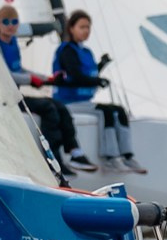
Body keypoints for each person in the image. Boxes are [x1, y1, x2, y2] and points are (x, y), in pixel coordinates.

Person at [0, 5, 84, 180]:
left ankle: (74, 152)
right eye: (6, 21)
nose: (10, 25)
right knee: (48, 108)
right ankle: (52, 160)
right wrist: (31, 80)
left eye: (14, 21)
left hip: (16, 95)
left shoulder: (13, 42)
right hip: (5, 98)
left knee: (60, 106)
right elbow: (5, 73)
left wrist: (46, 78)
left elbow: (20, 70)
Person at [50, 10, 147, 173]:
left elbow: (89, 75)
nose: (86, 31)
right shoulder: (67, 51)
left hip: (84, 102)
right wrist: (97, 81)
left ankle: (127, 155)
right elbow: (75, 76)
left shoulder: (86, 52)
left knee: (119, 111)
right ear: (71, 28)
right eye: (82, 27)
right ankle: (110, 158)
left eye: (88, 27)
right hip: (68, 102)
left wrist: (101, 65)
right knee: (105, 112)